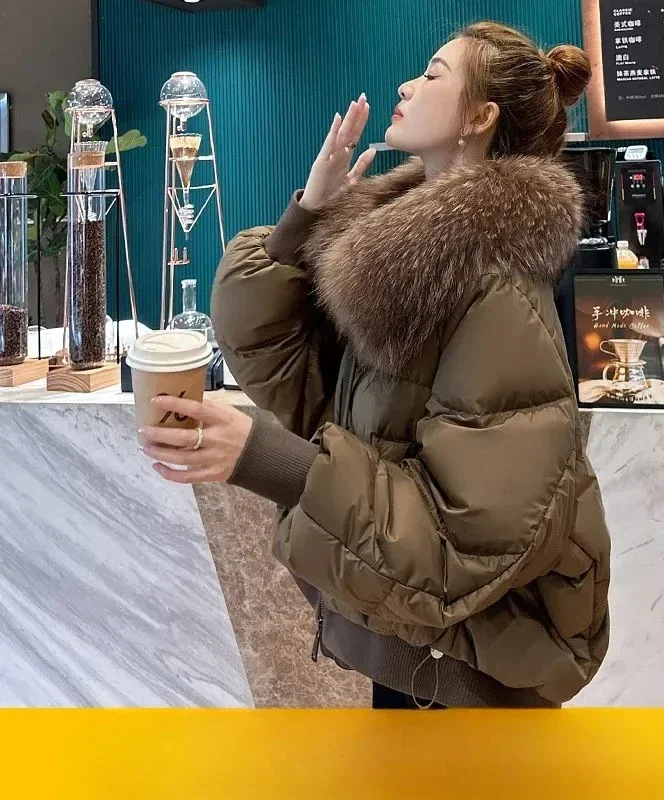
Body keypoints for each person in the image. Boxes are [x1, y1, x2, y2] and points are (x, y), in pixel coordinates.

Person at [141, 21, 611, 709]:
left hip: (474, 683)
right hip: (424, 655)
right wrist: (310, 214)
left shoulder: (495, 289)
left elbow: (461, 544)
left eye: (432, 73)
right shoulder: (412, 266)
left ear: (480, 117)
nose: (405, 85)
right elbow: (285, 371)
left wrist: (269, 459)